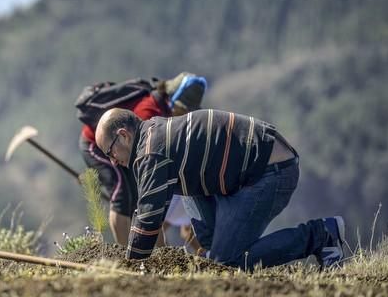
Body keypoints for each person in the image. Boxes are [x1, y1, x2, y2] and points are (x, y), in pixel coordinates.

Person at [95, 108, 346, 270]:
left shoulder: (150, 152)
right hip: (241, 174)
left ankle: (322, 235)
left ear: (124, 135)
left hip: (270, 173)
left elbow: (149, 218)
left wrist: (129, 267)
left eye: (110, 152)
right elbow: (147, 209)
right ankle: (216, 256)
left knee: (227, 263)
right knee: (211, 245)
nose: (113, 161)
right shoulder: (153, 135)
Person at [78, 72, 207, 248]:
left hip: (126, 149)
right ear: (172, 98)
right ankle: (128, 257)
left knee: (142, 196)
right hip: (100, 146)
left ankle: (158, 254)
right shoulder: (148, 112)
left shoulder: (164, 111)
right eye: (182, 108)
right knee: (123, 195)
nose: (183, 113)